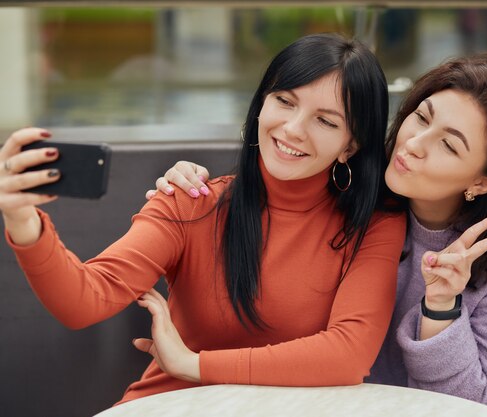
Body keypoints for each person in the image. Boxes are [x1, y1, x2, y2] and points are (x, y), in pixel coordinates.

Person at [153, 52, 487, 417]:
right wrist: (195, 190)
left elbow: (468, 404)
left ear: (483, 182)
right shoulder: (356, 205)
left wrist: (442, 310)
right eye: (422, 118)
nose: (414, 144)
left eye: (449, 145)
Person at [0, 34, 408, 404]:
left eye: (325, 120)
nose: (293, 128)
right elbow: (82, 301)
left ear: (350, 145)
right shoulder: (191, 201)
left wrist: (193, 364)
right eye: (284, 101)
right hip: (171, 406)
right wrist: (23, 220)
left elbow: (347, 355)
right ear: (262, 102)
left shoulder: (374, 223)